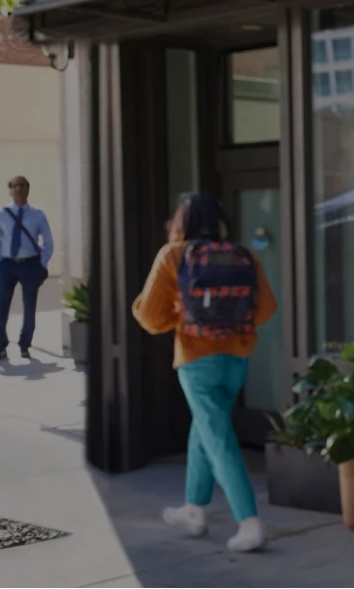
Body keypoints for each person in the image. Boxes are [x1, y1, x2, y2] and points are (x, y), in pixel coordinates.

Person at [132, 193, 276, 553]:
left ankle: (249, 522)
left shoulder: (174, 255)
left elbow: (149, 317)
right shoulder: (243, 255)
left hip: (197, 361)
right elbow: (266, 309)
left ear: (181, 222)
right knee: (205, 428)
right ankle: (195, 509)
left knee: (218, 437)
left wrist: (184, 319)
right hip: (237, 360)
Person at [0, 175, 53, 361]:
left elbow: (48, 242)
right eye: (14, 186)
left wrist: (41, 263)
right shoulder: (1, 214)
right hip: (8, 264)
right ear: (10, 190)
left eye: (22, 185)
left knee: (29, 306)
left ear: (28, 189)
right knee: (1, 306)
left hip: (30, 264)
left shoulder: (38, 214)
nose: (18, 189)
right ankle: (0, 346)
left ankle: (25, 345)